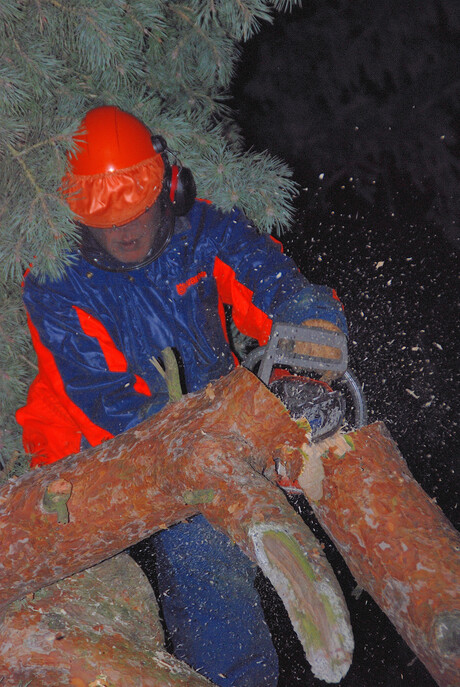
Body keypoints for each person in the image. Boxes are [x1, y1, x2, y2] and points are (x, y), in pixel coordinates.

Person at [16, 105, 347, 686]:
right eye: (100, 205)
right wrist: (210, 445)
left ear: (166, 179)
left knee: (312, 465)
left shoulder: (203, 233)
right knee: (199, 539)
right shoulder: (57, 281)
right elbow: (103, 403)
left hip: (206, 414)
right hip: (84, 455)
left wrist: (304, 363)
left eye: (138, 194)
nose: (125, 223)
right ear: (72, 207)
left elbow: (274, 285)